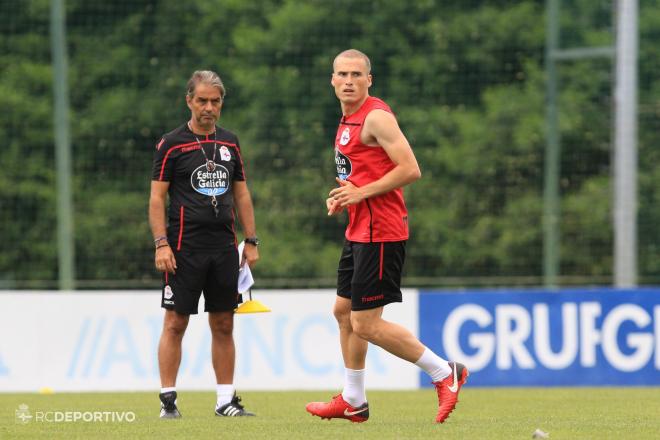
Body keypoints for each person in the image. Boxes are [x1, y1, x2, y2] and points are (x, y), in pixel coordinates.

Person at [305, 50, 468, 424]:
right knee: (343, 312)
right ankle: (354, 400)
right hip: (360, 229)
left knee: (366, 323)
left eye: (356, 74)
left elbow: (410, 169)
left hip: (382, 232)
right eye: (342, 74)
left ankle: (445, 372)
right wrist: (347, 197)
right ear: (332, 80)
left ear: (369, 79)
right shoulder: (347, 119)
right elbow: (364, 173)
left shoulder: (376, 116)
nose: (348, 80)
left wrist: (361, 194)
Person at [149, 70, 260, 419]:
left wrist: (251, 240)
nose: (208, 107)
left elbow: (241, 192)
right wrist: (161, 244)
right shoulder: (171, 143)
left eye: (215, 101)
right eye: (202, 100)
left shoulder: (230, 142)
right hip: (183, 249)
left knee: (224, 323)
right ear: (189, 101)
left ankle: (225, 400)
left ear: (221, 103)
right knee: (175, 323)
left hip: (224, 248)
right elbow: (156, 199)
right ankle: (168, 401)